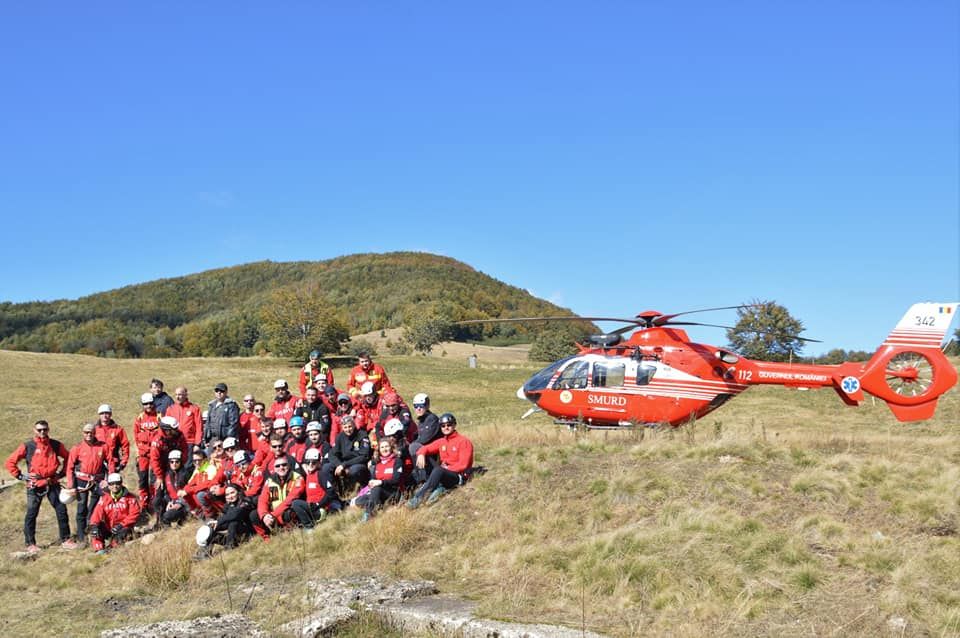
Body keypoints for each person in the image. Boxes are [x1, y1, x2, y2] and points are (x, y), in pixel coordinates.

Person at [5, 420, 77, 552]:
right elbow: (10, 462)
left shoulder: (55, 445)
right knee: (32, 513)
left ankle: (66, 539)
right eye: (39, 430)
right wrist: (21, 476)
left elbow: (69, 458)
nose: (42, 432)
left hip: (52, 482)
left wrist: (61, 474)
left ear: (48, 429)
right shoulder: (28, 446)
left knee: (61, 510)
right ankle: (30, 543)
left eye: (44, 429)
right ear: (34, 430)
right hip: (35, 485)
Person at [407, 413, 474, 509]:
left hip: (458, 476)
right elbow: (427, 448)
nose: (446, 428)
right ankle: (433, 486)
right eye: (443, 426)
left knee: (439, 470)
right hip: (444, 472)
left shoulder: (464, 441)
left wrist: (447, 469)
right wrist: (421, 453)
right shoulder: (442, 441)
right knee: (421, 454)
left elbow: (464, 465)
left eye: (449, 425)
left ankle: (417, 499)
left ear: (454, 425)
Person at [65, 423, 108, 543]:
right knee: (81, 507)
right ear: (83, 433)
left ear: (95, 433)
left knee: (102, 502)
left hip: (97, 480)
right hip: (81, 481)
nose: (89, 435)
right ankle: (81, 536)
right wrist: (70, 484)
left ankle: (96, 527)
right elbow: (69, 467)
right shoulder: (77, 448)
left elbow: (110, 463)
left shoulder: (103, 446)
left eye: (91, 432)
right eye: (86, 432)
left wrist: (108, 479)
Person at [88, 473, 141, 554]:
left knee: (123, 535)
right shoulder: (104, 498)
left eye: (117, 483)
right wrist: (94, 525)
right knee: (95, 528)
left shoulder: (130, 498)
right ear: (108, 485)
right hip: (109, 528)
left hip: (123, 528)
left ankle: (112, 548)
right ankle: (99, 550)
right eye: (112, 484)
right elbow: (96, 513)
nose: (115, 486)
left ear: (121, 483)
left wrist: (121, 525)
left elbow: (135, 514)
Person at [358, 437, 405, 522]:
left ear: (391, 447)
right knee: (359, 500)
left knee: (376, 489)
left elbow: (396, 480)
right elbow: (373, 479)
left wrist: (381, 482)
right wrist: (371, 482)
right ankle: (378, 506)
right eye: (382, 447)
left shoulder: (397, 461)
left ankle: (369, 514)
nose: (385, 449)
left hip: (393, 492)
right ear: (379, 450)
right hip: (380, 493)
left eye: (387, 446)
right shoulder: (377, 463)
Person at [254, 457, 305, 536]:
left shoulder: (297, 478)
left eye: (284, 465)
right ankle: (267, 538)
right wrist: (264, 515)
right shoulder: (270, 481)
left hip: (287, 511)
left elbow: (290, 499)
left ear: (288, 466)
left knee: (290, 511)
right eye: (278, 466)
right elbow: (262, 499)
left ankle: (291, 533)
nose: (281, 468)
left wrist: (273, 515)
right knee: (254, 515)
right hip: (274, 516)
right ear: (274, 469)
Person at [290, 448, 339, 528]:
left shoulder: (320, 474)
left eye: (313, 462)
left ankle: (309, 527)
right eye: (308, 462)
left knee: (296, 503)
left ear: (319, 463)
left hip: (320, 509)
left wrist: (318, 504)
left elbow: (331, 492)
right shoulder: (307, 476)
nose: (310, 464)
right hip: (311, 508)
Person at [323, 415, 371, 495]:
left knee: (354, 471)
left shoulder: (362, 435)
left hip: (357, 464)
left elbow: (364, 456)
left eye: (350, 426)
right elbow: (332, 454)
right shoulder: (340, 436)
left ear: (354, 425)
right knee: (326, 468)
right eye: (345, 427)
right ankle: (335, 493)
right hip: (343, 464)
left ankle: (356, 493)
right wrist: (339, 465)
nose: (348, 429)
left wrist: (344, 465)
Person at [202, 482, 256, 552]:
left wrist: (218, 521)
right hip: (237, 534)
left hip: (250, 532)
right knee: (211, 529)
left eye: (232, 493)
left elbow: (235, 515)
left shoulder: (246, 501)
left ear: (239, 492)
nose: (230, 496)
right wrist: (214, 526)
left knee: (233, 523)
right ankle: (205, 552)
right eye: (227, 494)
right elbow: (226, 522)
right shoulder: (228, 506)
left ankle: (229, 546)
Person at [133, 392, 162, 509]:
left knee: (154, 479)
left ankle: (154, 503)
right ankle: (144, 505)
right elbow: (136, 436)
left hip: (155, 453)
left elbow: (163, 434)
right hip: (143, 455)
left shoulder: (159, 416)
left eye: (150, 403)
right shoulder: (139, 419)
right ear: (142, 405)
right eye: (146, 404)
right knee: (143, 479)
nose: (148, 406)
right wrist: (138, 453)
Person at [150, 416, 189, 504]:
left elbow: (185, 449)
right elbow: (154, 460)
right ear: (167, 430)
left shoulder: (179, 435)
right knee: (158, 492)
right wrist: (159, 476)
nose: (176, 430)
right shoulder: (157, 440)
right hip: (159, 469)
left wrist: (181, 463)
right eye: (173, 429)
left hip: (175, 466)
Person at [409, 393, 440, 484]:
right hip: (426, 454)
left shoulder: (432, 419)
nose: (418, 408)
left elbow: (424, 440)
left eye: (421, 406)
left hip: (435, 455)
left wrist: (410, 445)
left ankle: (424, 478)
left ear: (427, 406)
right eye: (416, 406)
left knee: (414, 447)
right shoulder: (421, 420)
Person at [155, 449, 192, 527]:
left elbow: (190, 492)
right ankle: (160, 524)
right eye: (172, 462)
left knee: (167, 516)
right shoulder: (167, 475)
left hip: (184, 504)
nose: (174, 464)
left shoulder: (186, 474)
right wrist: (169, 501)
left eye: (177, 461)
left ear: (180, 462)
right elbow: (167, 492)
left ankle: (185, 517)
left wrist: (180, 503)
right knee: (157, 501)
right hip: (172, 502)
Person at [166, 387, 203, 455]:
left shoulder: (194, 409)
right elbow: (166, 427)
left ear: (186, 395)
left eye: (180, 394)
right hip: (174, 442)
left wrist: (197, 444)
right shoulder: (170, 409)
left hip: (189, 442)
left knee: (187, 465)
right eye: (176, 395)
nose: (177, 397)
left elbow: (199, 427)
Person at [94, 404, 130, 474]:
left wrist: (123, 462)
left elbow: (125, 445)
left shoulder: (118, 429)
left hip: (114, 463)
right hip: (98, 463)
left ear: (110, 414)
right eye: (102, 413)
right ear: (99, 415)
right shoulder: (94, 430)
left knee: (113, 484)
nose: (104, 415)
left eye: (106, 413)